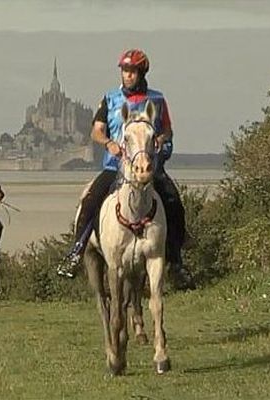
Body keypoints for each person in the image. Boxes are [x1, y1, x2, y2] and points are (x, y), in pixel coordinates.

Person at [56, 48, 195, 290]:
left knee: (173, 202)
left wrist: (162, 140)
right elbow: (97, 130)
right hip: (116, 166)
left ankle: (177, 262)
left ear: (141, 73)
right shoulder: (109, 99)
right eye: (125, 70)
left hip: (150, 167)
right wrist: (108, 143)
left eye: (131, 71)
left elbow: (167, 129)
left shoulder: (158, 100)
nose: (127, 75)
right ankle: (75, 252)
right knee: (91, 200)